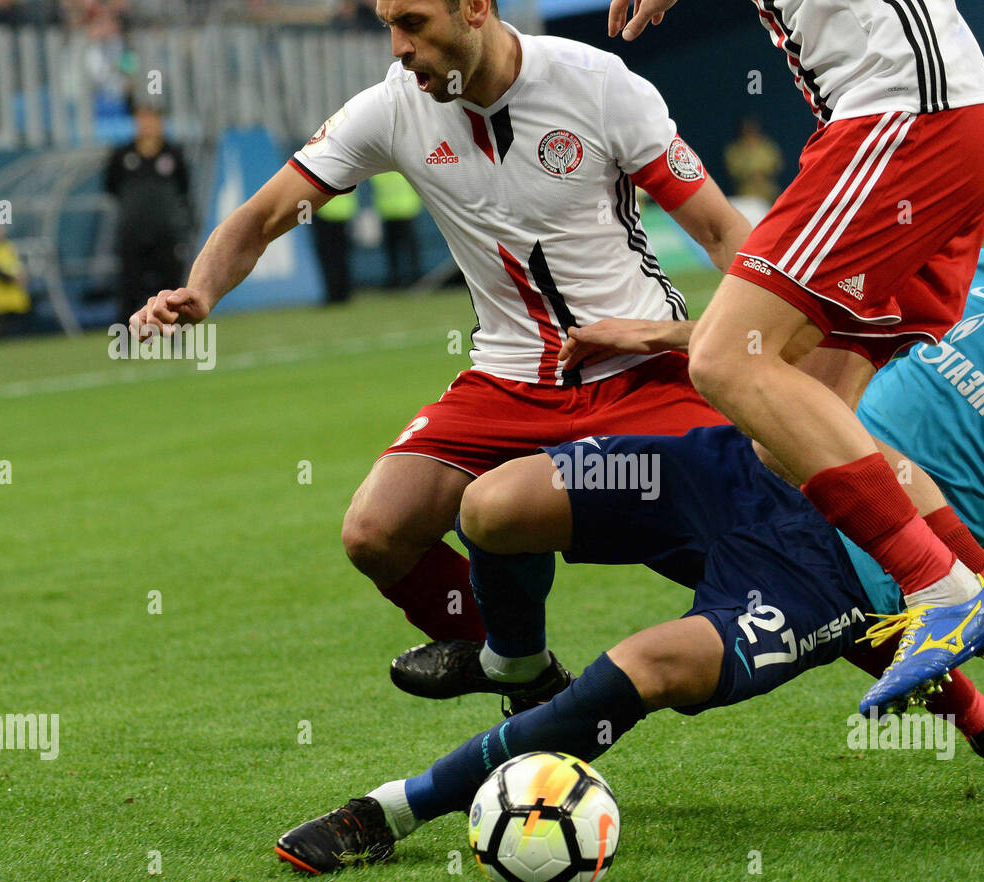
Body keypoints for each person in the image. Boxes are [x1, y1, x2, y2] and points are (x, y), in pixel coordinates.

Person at [546, 128, 984, 810]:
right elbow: (807, 329)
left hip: (861, 563)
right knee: (500, 505)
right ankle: (518, 668)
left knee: (667, 661)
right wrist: (664, 333)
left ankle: (461, 782)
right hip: (757, 469)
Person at [129, 0, 750, 661]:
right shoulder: (390, 109)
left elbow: (722, 234)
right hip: (507, 384)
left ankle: (873, 644)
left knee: (748, 547)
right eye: (388, 25)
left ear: (475, 9)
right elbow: (260, 218)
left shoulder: (597, 82)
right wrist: (200, 291)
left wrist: (727, 341)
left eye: (415, 23)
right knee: (375, 532)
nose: (398, 46)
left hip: (639, 373)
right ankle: (521, 671)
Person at [276, 425, 984, 874]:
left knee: (653, 665)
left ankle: (390, 809)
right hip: (733, 465)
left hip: (832, 565)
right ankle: (520, 673)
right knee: (492, 507)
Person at [606, 1, 984, 728]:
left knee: (727, 360)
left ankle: (939, 586)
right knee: (790, 422)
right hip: (934, 121)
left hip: (908, 113)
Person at [105, 102, 192, 326]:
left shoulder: (173, 154)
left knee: (171, 286)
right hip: (132, 233)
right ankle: (123, 343)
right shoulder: (122, 155)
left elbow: (184, 189)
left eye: (151, 120)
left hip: (166, 234)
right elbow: (111, 188)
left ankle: (176, 338)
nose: (147, 126)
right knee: (128, 286)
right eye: (141, 120)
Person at [370, 171, 423, 287]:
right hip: (402, 210)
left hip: (397, 211)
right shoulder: (404, 168)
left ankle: (403, 279)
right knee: (405, 250)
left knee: (397, 250)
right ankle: (410, 278)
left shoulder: (379, 171)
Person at [723, 116, 783, 204]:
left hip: (768, 192)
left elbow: (777, 164)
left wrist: (762, 173)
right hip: (746, 193)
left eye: (752, 128)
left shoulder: (767, 146)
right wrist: (751, 173)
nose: (750, 131)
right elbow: (732, 169)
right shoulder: (734, 149)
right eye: (747, 129)